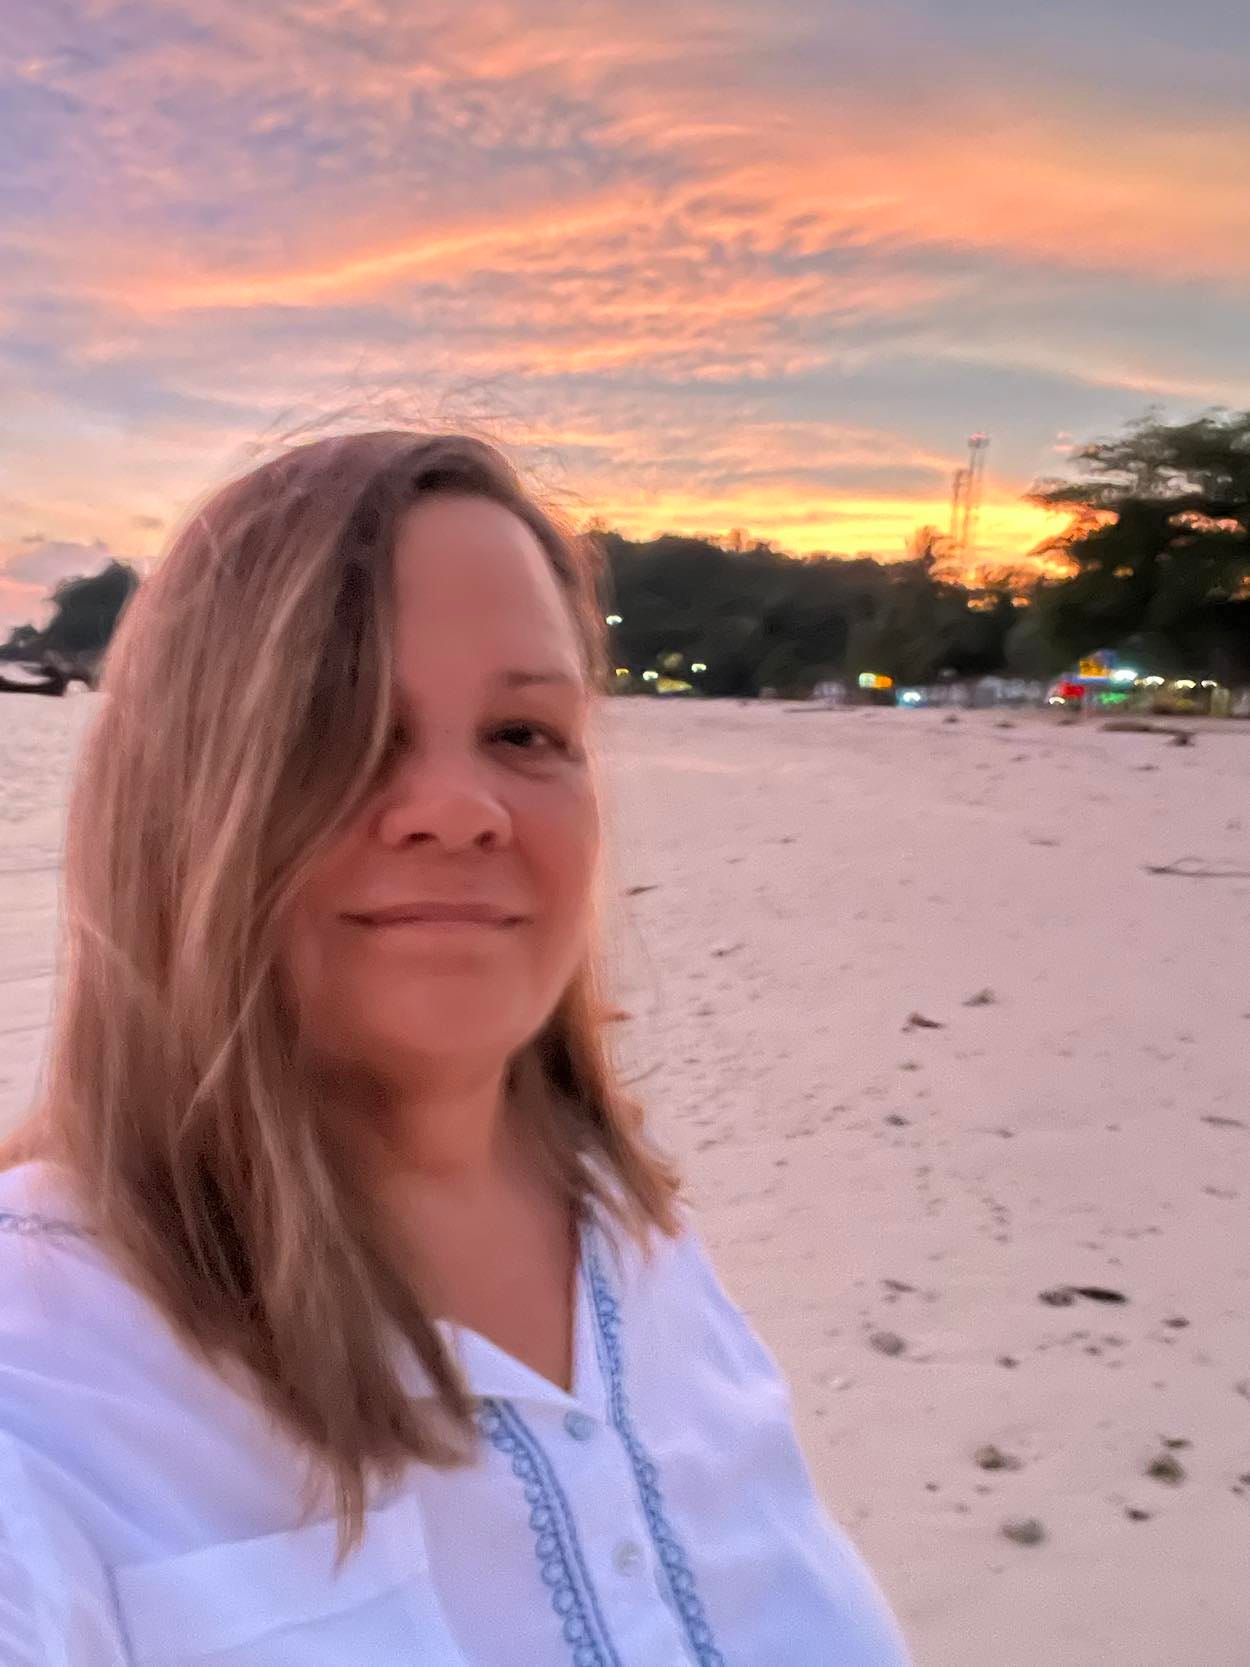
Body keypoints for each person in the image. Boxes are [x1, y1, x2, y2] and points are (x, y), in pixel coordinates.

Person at [0, 432, 911, 1666]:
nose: (457, 806)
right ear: (177, 799)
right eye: (338, 729)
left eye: (525, 733)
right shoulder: (49, 1370)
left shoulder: (636, 1236)